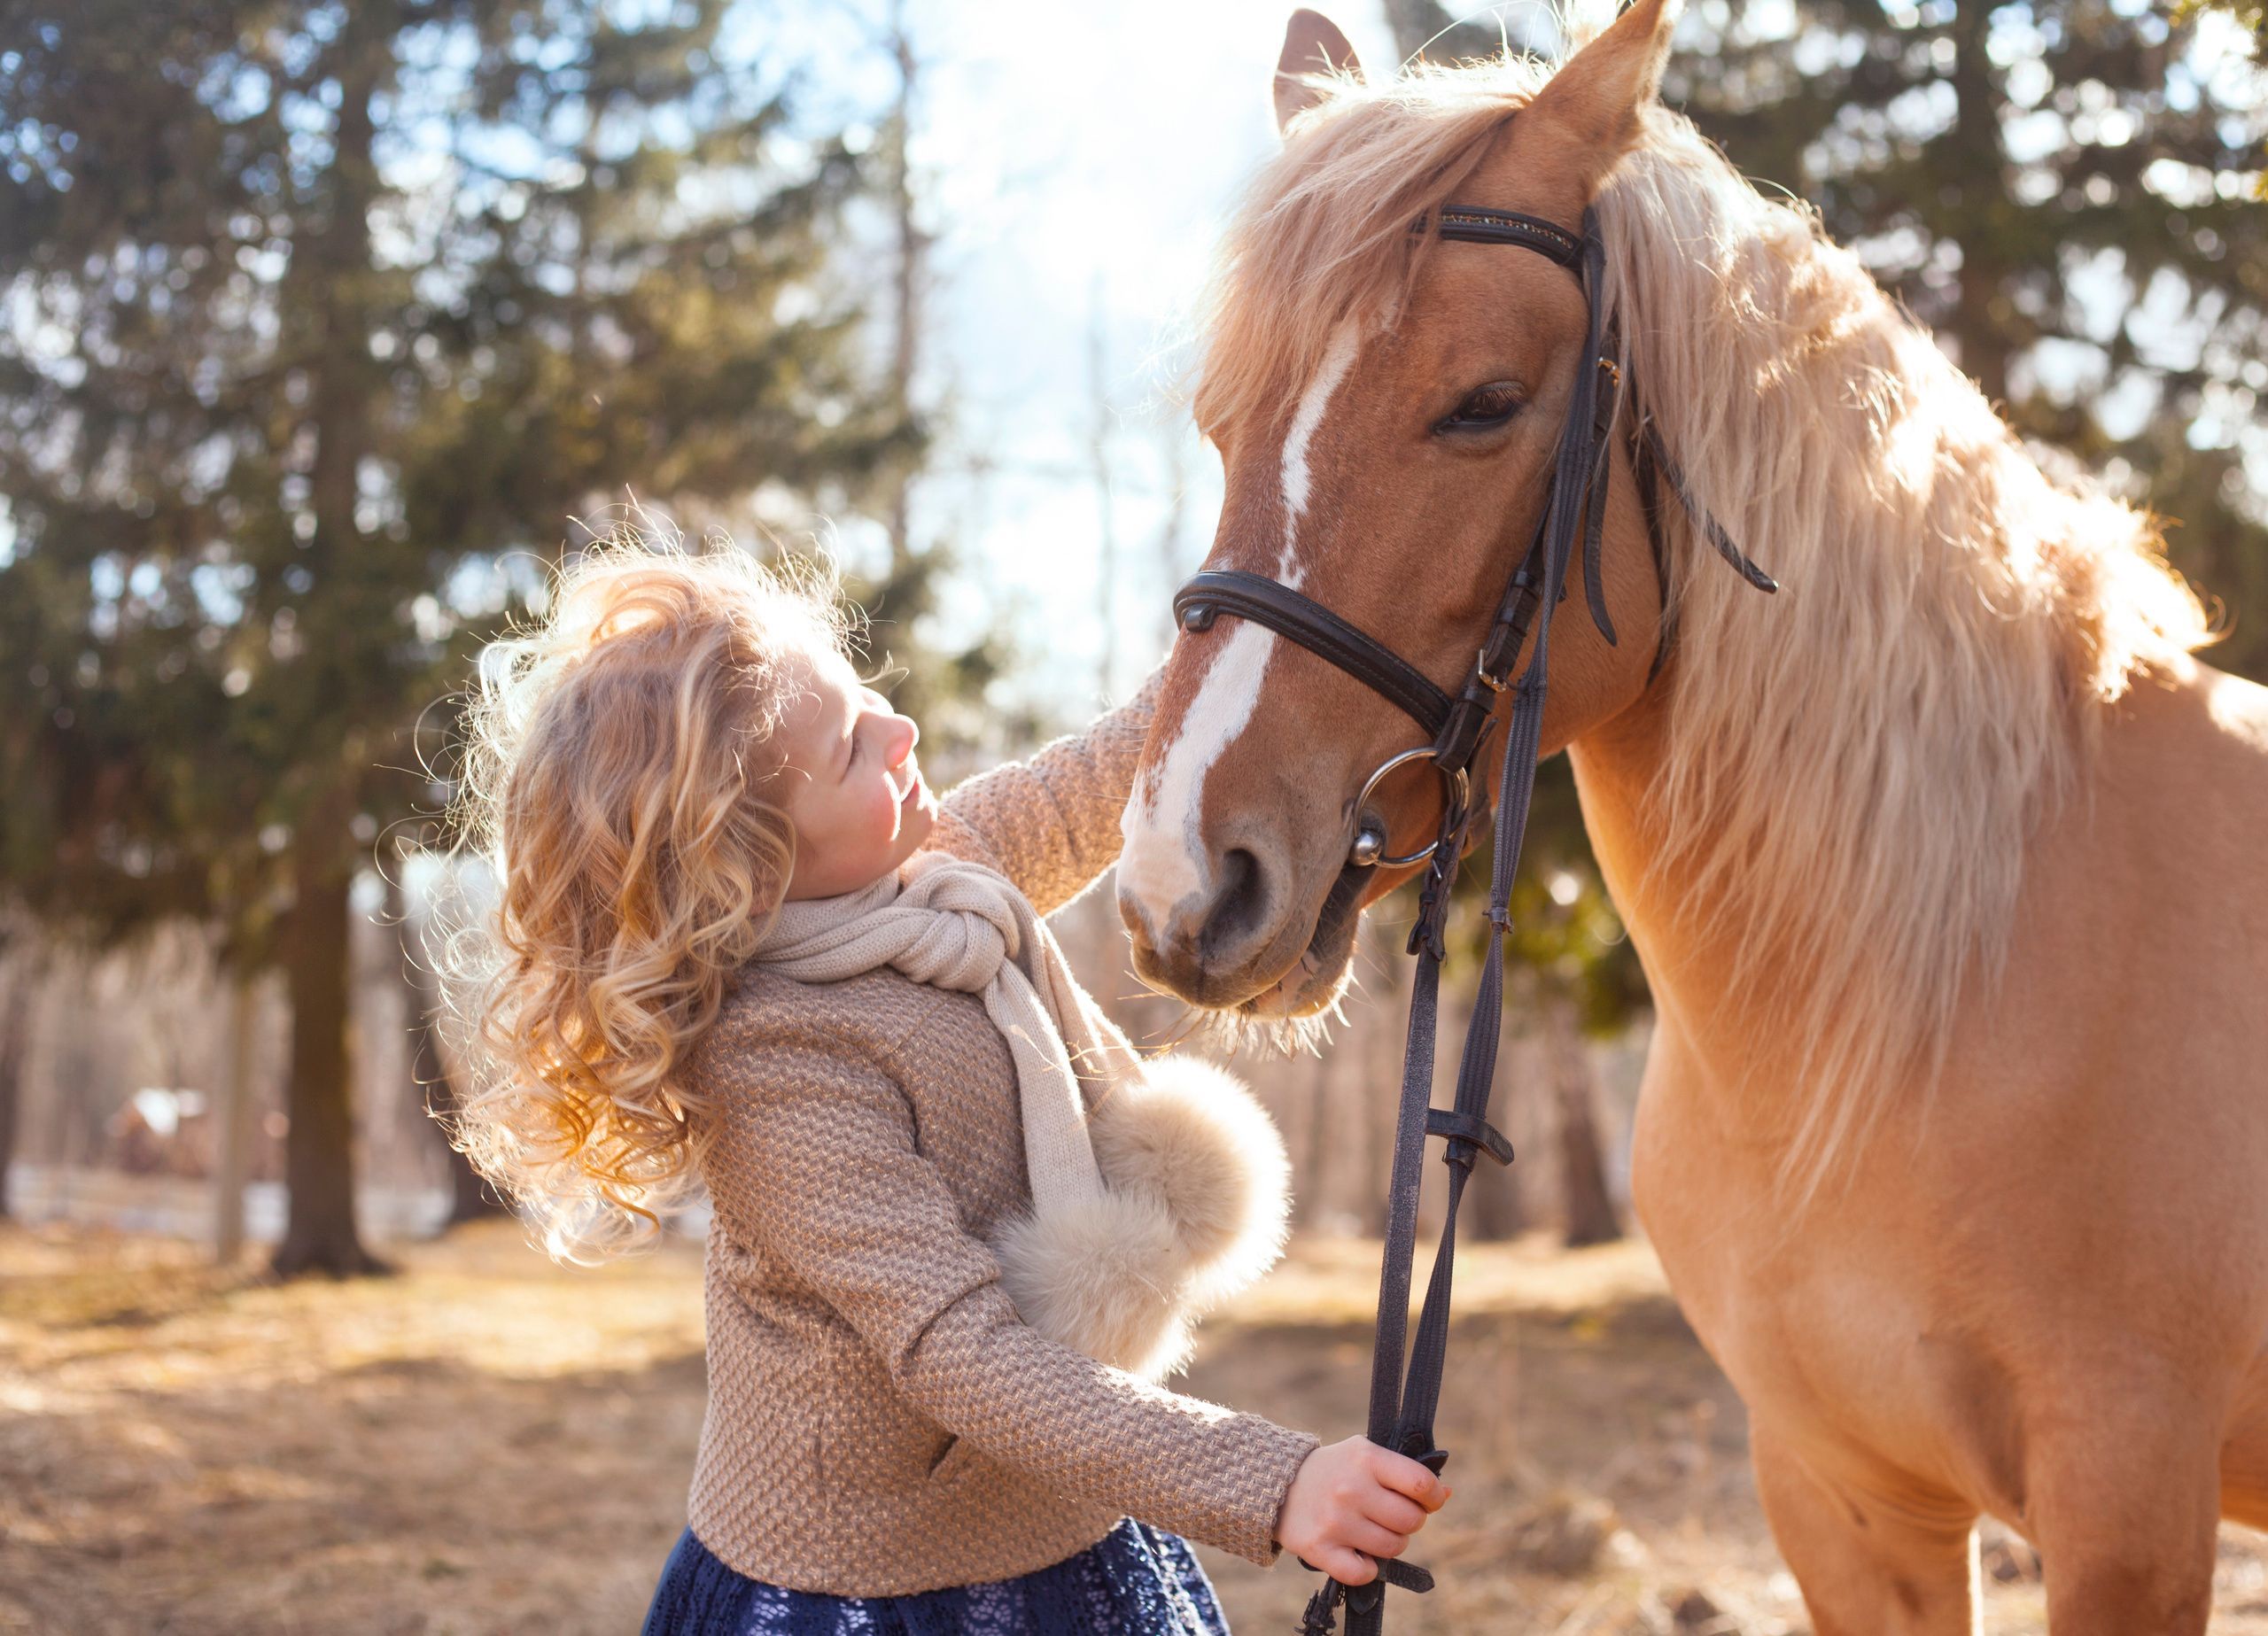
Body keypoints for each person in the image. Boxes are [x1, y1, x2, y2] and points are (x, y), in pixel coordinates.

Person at [449, 539, 1449, 1634]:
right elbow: (961, 1356)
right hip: (870, 1590)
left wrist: (1278, 630)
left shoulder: (938, 865)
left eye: (867, 697)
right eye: (848, 748)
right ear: (751, 857)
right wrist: (1270, 1479)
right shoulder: (780, 1066)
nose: (900, 729)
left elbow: (1088, 781)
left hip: (1060, 1504)